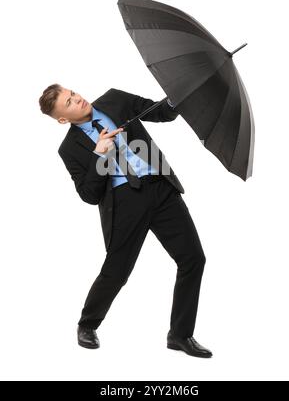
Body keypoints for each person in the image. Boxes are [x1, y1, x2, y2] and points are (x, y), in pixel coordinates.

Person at [39, 83, 212, 358]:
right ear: (62, 119)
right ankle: (87, 325)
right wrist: (99, 154)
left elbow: (160, 112)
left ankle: (180, 335)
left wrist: (176, 99)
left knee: (193, 259)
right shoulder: (69, 149)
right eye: (69, 103)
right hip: (124, 202)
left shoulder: (115, 100)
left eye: (73, 94)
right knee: (117, 272)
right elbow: (89, 194)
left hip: (160, 186)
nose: (78, 99)